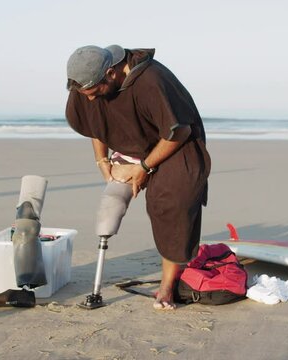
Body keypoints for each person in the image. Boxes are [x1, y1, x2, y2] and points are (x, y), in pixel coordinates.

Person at [65, 45, 211, 310]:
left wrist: (143, 168)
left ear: (110, 73)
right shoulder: (86, 87)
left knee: (169, 203)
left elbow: (178, 132)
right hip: (131, 143)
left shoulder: (152, 81)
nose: (89, 99)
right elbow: (94, 123)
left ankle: (167, 287)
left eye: (93, 92)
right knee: (112, 202)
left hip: (176, 143)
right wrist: (102, 160)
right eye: (83, 94)